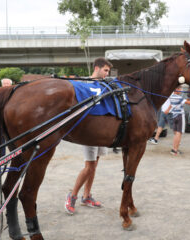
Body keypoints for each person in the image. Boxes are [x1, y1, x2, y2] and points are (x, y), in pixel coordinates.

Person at [65, 57, 113, 214]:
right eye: (105, 70)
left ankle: (86, 196)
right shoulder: (84, 84)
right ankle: (72, 196)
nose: (107, 73)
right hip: (88, 130)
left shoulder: (104, 85)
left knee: (94, 165)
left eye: (108, 71)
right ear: (97, 68)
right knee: (89, 166)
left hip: (101, 130)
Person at [166, 86, 190, 155]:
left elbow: (182, 101)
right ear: (176, 89)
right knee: (179, 133)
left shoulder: (172, 96)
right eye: (180, 89)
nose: (181, 90)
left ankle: (174, 149)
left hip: (174, 116)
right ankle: (175, 150)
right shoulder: (179, 98)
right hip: (180, 116)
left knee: (176, 133)